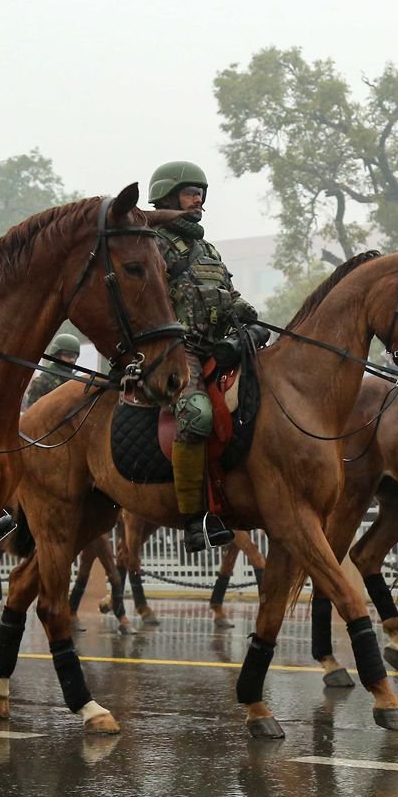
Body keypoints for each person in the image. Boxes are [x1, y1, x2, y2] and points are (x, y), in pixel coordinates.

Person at [147, 161, 258, 552]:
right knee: (197, 416)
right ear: (166, 197)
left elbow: (229, 293)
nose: (199, 200)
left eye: (201, 194)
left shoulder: (206, 248)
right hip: (178, 353)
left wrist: (250, 318)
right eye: (190, 193)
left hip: (218, 347)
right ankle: (196, 520)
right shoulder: (153, 245)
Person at [25, 332, 81, 408]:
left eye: (74, 356)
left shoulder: (75, 382)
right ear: (56, 355)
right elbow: (32, 415)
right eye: (67, 355)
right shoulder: (41, 382)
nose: (72, 360)